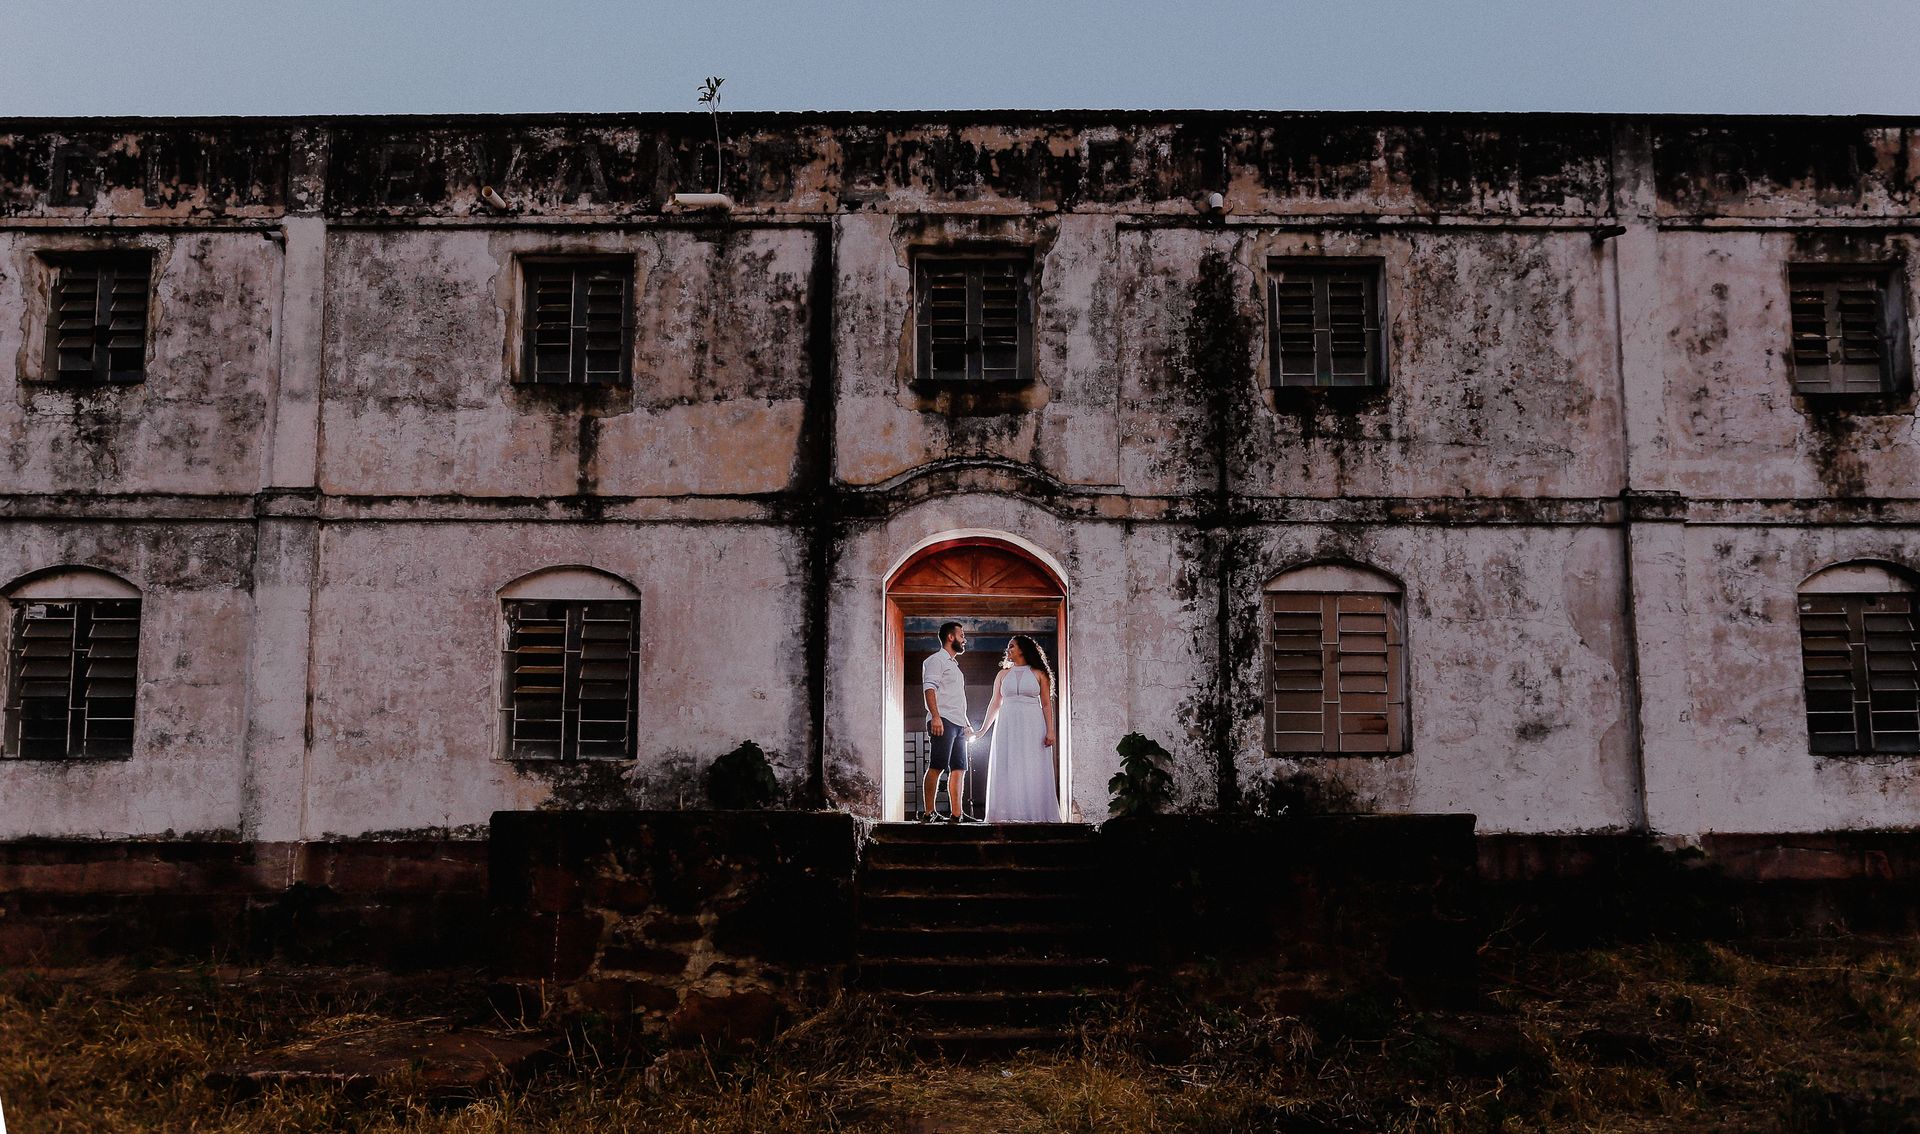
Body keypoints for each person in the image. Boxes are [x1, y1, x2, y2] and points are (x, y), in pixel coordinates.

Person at [979, 634, 1058, 823]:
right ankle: (1008, 814)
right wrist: (982, 730)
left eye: (1012, 646)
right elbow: (995, 703)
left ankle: (1036, 814)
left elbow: (1046, 704)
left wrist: (1050, 730)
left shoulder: (1039, 673)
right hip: (1007, 724)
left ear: (1023, 649)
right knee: (1008, 764)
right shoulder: (1002, 674)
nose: (1008, 650)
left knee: (1032, 765)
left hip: (1033, 724)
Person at [920, 621, 973, 823]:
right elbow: (929, 689)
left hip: (958, 723)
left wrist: (967, 724)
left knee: (959, 768)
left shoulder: (955, 667)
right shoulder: (936, 661)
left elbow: (958, 700)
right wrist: (935, 716)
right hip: (943, 720)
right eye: (962, 635)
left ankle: (957, 815)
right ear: (951, 637)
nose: (964, 639)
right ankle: (929, 813)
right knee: (937, 765)